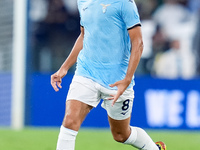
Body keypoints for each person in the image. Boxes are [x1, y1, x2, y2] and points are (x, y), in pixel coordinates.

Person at [51, 0, 166, 150]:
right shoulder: (83, 1)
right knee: (69, 121)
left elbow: (138, 42)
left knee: (121, 134)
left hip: (117, 80)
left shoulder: (125, 3)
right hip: (86, 72)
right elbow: (84, 35)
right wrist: (64, 67)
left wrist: (127, 79)